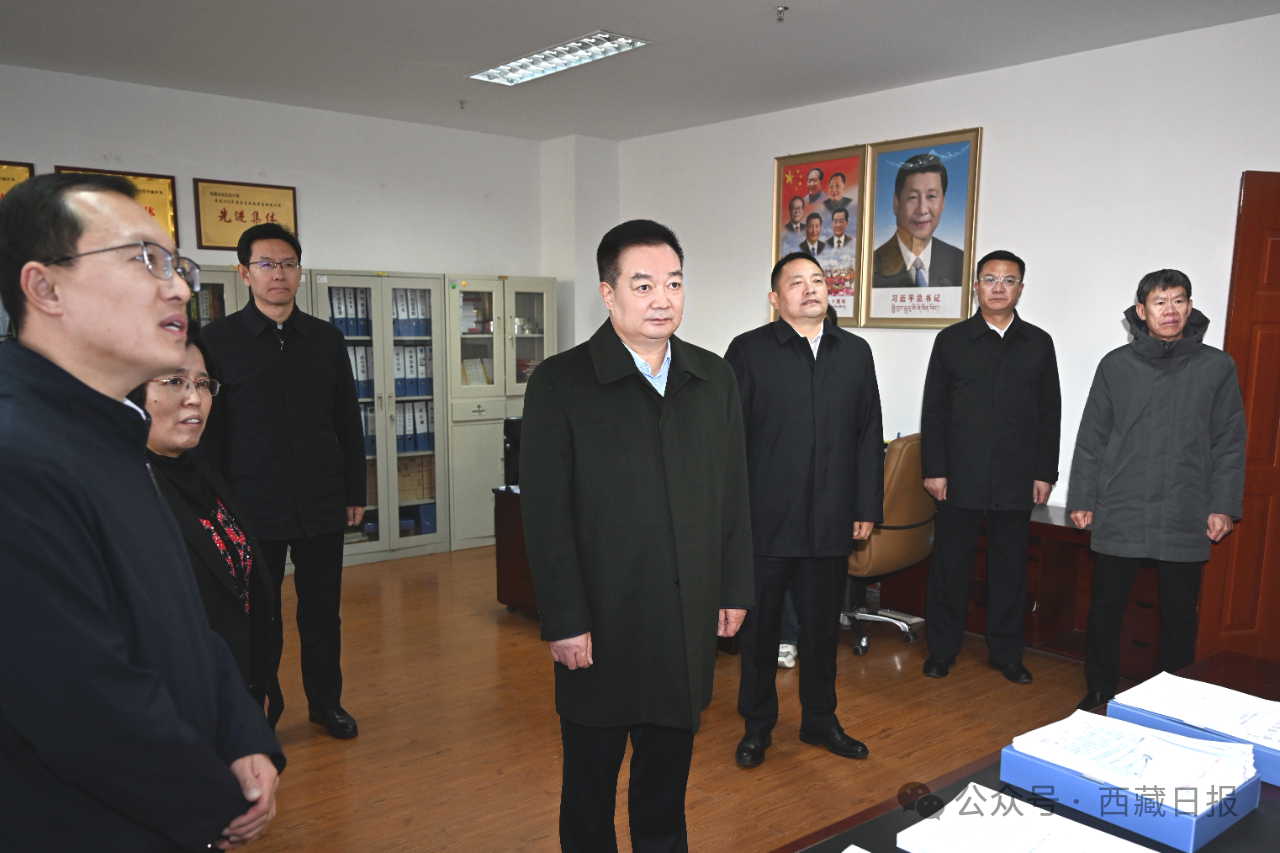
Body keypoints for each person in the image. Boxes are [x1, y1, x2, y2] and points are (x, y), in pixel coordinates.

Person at [0, 172, 282, 851]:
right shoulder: (18, 457)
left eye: (177, 266)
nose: (178, 287)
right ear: (45, 288)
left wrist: (242, 735)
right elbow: (79, 703)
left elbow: (184, 625)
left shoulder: (113, 437)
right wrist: (214, 797)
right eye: (144, 260)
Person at [521, 219, 754, 853]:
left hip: (683, 618)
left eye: (673, 283)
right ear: (608, 292)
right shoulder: (561, 383)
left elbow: (733, 493)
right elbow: (544, 515)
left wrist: (733, 587)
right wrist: (564, 618)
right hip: (602, 621)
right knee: (589, 792)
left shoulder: (713, 378)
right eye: (643, 284)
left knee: (664, 793)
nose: (662, 299)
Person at [200, 223, 366, 739]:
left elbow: (347, 420)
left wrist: (354, 492)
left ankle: (326, 704)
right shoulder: (216, 341)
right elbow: (210, 433)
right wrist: (214, 505)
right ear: (244, 273)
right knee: (259, 616)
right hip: (251, 504)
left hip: (321, 501)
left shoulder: (326, 339)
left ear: (299, 272)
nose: (279, 274)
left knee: (322, 613)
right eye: (267, 264)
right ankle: (260, 707)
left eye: (288, 264)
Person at [727, 251, 883, 768]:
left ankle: (820, 720)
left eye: (817, 279)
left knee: (820, 631)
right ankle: (757, 727)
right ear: (775, 298)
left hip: (829, 519)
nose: (810, 288)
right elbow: (729, 439)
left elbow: (868, 433)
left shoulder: (854, 352)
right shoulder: (748, 351)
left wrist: (865, 505)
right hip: (766, 521)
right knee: (760, 633)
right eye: (796, 282)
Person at [1068, 270, 1245, 711]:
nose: (1170, 310)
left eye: (1178, 301)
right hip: (1121, 504)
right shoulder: (1116, 365)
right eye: (1160, 302)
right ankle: (1100, 688)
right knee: (1106, 607)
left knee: (1180, 613)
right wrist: (1083, 498)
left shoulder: (1216, 366)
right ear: (1141, 310)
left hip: (1186, 507)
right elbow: (1093, 436)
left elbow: (1229, 441)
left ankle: (1170, 699)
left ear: (1190, 307)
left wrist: (1223, 505)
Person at [920, 250, 1060, 683]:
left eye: (1008, 280)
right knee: (951, 568)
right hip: (959, 475)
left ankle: (1006, 653)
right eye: (990, 279)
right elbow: (934, 410)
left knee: (1009, 570)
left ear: (1020, 288)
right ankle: (942, 650)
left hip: (1017, 476)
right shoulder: (951, 341)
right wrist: (934, 468)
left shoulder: (1038, 343)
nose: (999, 287)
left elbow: (1050, 412)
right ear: (976, 286)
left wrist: (1045, 473)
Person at [138, 327, 284, 728]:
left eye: (203, 384)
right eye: (174, 381)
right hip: (178, 714)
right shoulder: (124, 492)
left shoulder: (206, 476)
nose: (194, 398)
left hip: (237, 694)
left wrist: (257, 683)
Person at [872, 153, 964, 288]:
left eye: (931, 196)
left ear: (943, 203)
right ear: (896, 203)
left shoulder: (960, 262)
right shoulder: (871, 265)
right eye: (913, 197)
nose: (922, 209)